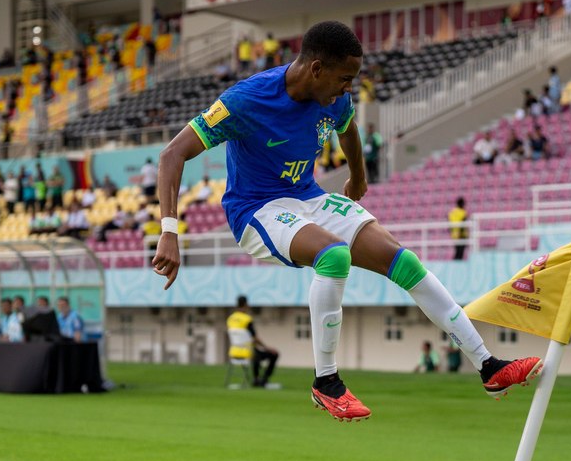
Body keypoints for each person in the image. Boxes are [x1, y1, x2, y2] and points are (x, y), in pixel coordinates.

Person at [151, 21, 542, 422]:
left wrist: (358, 175)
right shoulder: (246, 100)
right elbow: (172, 155)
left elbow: (348, 129)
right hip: (256, 210)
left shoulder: (334, 99)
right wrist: (169, 232)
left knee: (403, 261)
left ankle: (488, 366)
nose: (348, 89)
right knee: (333, 256)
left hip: (310, 197)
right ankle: (326, 382)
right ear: (316, 69)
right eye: (344, 79)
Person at [228, 295, 280, 387]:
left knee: (257, 353)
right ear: (245, 304)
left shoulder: (230, 319)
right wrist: (267, 348)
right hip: (247, 351)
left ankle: (256, 379)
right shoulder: (246, 319)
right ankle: (262, 380)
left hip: (234, 351)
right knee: (273, 354)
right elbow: (255, 338)